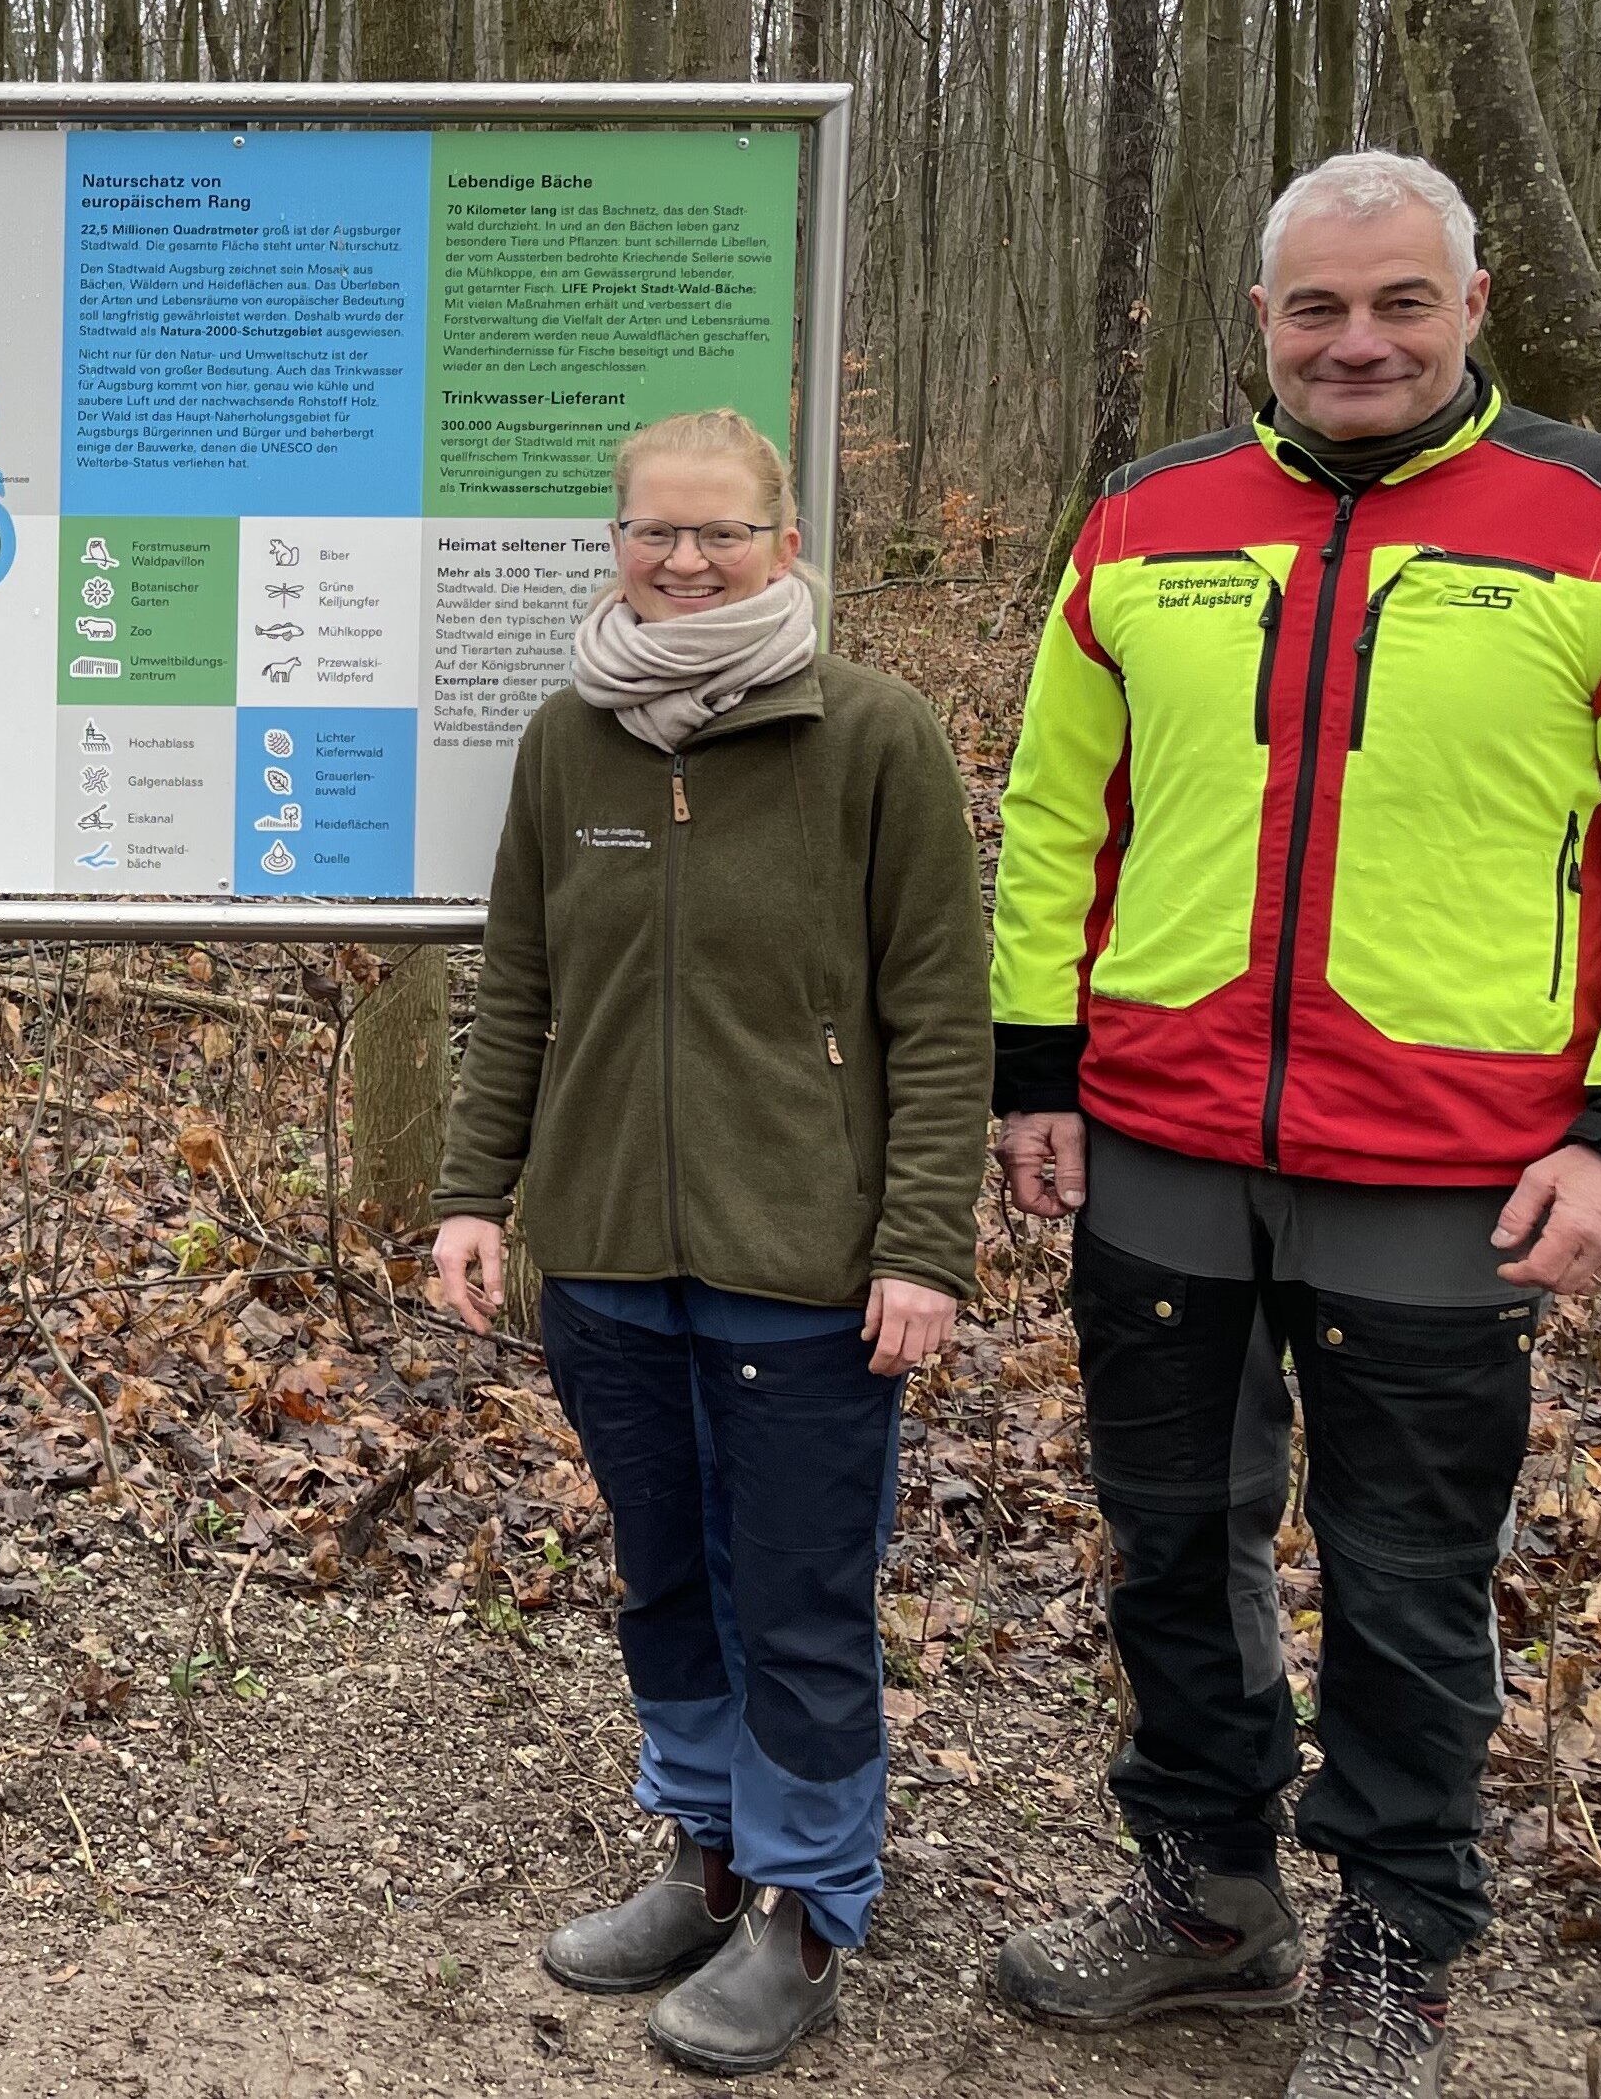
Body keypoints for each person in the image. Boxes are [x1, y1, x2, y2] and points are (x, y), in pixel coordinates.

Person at [987, 149, 1601, 2099]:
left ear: (1471, 308)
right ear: (1264, 318)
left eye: (1399, 302)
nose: (1358, 341)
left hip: (1457, 1160)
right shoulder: (1146, 517)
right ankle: (1208, 1895)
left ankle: (1397, 1940)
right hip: (1165, 1135)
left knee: (1408, 1575)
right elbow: (1057, 811)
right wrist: (1035, 1072)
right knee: (1169, 1540)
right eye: (1318, 307)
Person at [431, 408, 990, 2075]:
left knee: (798, 1598)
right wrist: (475, 1192)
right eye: (654, 532)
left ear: (785, 542)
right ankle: (707, 1849)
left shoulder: (871, 734)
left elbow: (939, 1013)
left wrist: (924, 1245)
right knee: (666, 1574)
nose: (685, 560)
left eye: (721, 532)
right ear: (616, 543)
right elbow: (519, 982)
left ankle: (808, 1902)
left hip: (805, 1263)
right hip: (607, 1248)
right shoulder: (569, 739)